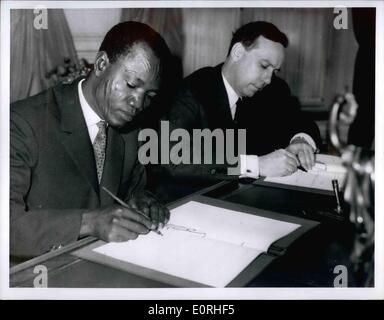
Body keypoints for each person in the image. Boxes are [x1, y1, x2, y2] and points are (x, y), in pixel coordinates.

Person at [10, 22, 171, 260]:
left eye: (149, 96)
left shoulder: (131, 130)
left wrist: (143, 202)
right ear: (101, 64)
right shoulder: (22, 123)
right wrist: (88, 222)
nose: (138, 103)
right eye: (131, 85)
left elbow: (133, 192)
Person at [159, 21, 322, 198]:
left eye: (274, 71)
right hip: (190, 203)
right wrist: (256, 165)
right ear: (237, 53)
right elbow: (175, 159)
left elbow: (300, 121)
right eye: (264, 66)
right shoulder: (191, 91)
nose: (268, 79)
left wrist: (301, 141)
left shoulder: (272, 90)